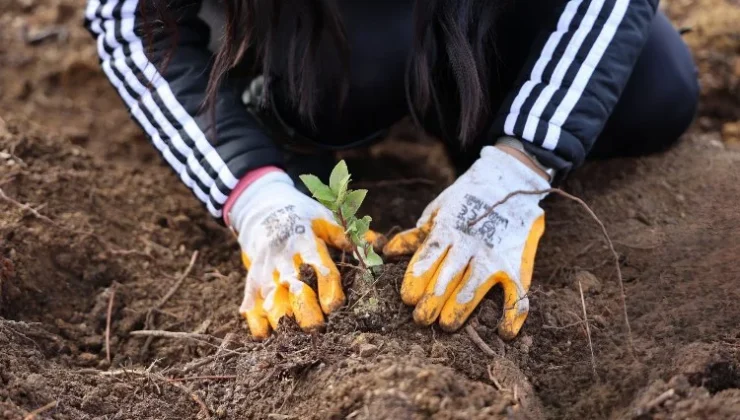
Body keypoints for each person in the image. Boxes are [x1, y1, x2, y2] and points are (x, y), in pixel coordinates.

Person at [84, 0, 699, 340]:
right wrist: (254, 191)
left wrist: (519, 163)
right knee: (353, 68)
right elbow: (123, 14)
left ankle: (475, 109)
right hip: (309, 29)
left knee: (653, 92)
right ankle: (278, 107)